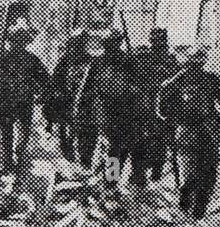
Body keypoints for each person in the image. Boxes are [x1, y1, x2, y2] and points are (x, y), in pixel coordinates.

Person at [157, 46, 220, 219]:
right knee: (201, 175)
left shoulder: (177, 81)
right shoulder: (186, 81)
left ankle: (190, 211)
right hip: (198, 133)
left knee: (197, 175)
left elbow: (162, 111)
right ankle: (112, 183)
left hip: (195, 134)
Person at [74, 26, 149, 188]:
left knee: (128, 145)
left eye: (113, 43)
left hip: (123, 110)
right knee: (117, 147)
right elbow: (86, 87)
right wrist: (80, 108)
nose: (111, 46)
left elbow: (139, 86)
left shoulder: (126, 61)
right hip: (109, 111)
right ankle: (113, 180)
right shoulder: (101, 62)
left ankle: (130, 177)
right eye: (110, 43)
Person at [0, 11, 51, 174]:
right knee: (12, 134)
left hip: (17, 101)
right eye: (16, 41)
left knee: (15, 134)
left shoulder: (26, 59)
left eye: (20, 41)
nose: (18, 44)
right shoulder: (6, 57)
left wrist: (41, 94)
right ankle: (11, 163)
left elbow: (45, 80)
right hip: (9, 101)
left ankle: (13, 162)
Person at [131, 27, 179, 180]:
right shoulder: (143, 59)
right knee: (128, 147)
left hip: (155, 110)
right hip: (142, 110)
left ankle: (145, 174)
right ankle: (126, 177)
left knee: (155, 144)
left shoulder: (167, 60)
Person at [47, 25, 92, 162]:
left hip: (83, 99)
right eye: (77, 43)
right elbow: (56, 78)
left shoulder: (90, 59)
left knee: (80, 127)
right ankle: (65, 145)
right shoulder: (65, 60)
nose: (79, 46)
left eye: (82, 43)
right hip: (66, 98)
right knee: (64, 124)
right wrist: (57, 93)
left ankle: (80, 155)